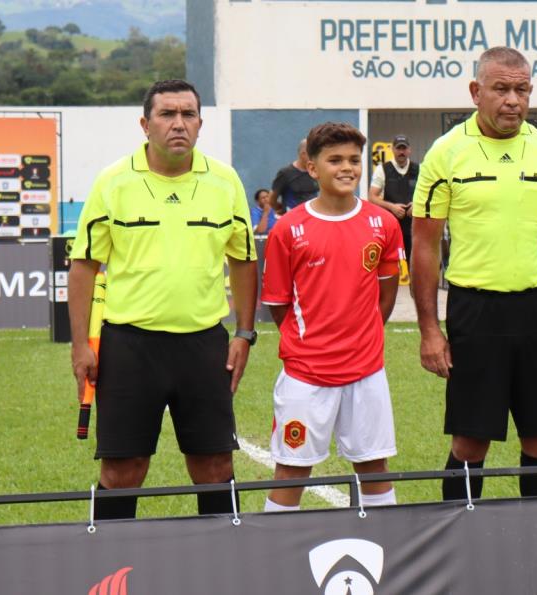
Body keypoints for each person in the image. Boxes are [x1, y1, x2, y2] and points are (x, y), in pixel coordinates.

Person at [68, 79, 258, 520]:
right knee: (124, 470)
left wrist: (244, 333)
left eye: (188, 115)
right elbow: (84, 267)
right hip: (129, 347)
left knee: (214, 466)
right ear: (145, 124)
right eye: (167, 114)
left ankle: (221, 569)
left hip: (204, 345)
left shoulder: (225, 181)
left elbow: (245, 261)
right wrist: (81, 345)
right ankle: (109, 575)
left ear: (200, 124)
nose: (179, 124)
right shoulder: (113, 182)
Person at [411, 46, 537, 501]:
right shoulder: (446, 153)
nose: (513, 100)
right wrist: (431, 330)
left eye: (522, 90)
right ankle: (458, 542)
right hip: (476, 311)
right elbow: (425, 246)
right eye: (501, 89)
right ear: (476, 92)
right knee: (471, 441)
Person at [260, 122, 403, 512]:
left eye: (354, 160)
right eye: (334, 159)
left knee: (374, 468)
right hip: (306, 375)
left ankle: (384, 560)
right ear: (312, 168)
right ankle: (275, 564)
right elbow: (277, 304)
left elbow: (385, 296)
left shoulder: (384, 223)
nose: (347, 168)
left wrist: (361, 337)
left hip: (367, 371)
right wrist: (312, 342)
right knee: (291, 470)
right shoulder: (288, 230)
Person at [369, 134, 419, 261]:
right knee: (389, 263)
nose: (401, 152)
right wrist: (392, 207)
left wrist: (417, 205)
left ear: (409, 150)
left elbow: (429, 194)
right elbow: (372, 197)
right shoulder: (383, 169)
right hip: (390, 225)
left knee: (415, 264)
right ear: (393, 149)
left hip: (413, 227)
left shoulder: (419, 169)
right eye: (398, 148)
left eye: (404, 148)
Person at [269, 139, 319, 212]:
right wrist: (282, 209)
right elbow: (272, 199)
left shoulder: (316, 170)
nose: (315, 157)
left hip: (312, 216)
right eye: (313, 154)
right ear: (303, 154)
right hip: (293, 218)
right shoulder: (285, 173)